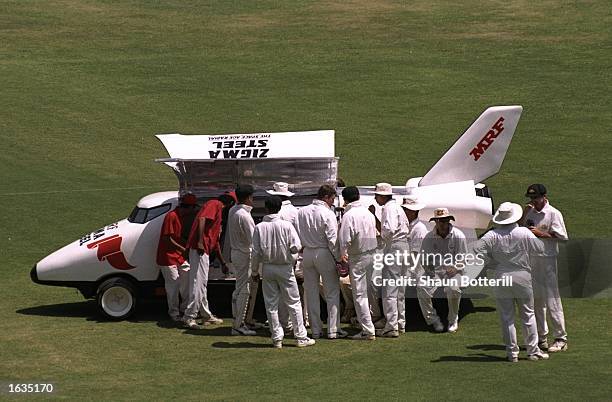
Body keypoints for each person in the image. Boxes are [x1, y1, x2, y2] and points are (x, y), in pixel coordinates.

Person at [474, 202, 550, 362]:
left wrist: (490, 260)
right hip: (522, 275)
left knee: (506, 317)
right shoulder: (523, 232)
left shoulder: (492, 235)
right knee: (528, 314)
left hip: (501, 276)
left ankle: (512, 353)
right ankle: (533, 351)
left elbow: (475, 248)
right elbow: (540, 249)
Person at [251, 196, 316, 348]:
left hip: (268, 268)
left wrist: (255, 271)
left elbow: (255, 253)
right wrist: (290, 256)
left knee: (271, 304)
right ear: (279, 208)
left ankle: (277, 338)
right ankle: (300, 337)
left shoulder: (259, 227)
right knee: (293, 302)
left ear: (266, 209)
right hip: (285, 267)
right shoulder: (286, 226)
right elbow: (296, 246)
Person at [521, 184, 569, 353]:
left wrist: (541, 234)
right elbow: (519, 230)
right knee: (536, 301)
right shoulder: (530, 212)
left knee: (552, 299)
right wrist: (525, 213)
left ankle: (561, 338)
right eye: (531, 198)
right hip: (530, 260)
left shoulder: (553, 213)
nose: (533, 201)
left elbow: (563, 237)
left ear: (544, 196)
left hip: (547, 260)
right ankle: (541, 338)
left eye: (535, 198)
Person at [296, 184, 347, 339]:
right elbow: (332, 239)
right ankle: (333, 330)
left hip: (308, 253)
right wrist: (339, 258)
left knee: (311, 293)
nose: (333, 202)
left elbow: (297, 233)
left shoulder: (302, 212)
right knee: (331, 292)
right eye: (332, 198)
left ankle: (316, 330)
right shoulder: (327, 213)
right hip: (323, 252)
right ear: (326, 197)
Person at [183, 195, 231, 329]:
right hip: (200, 248)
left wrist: (222, 263)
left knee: (201, 284)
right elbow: (202, 218)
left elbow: (215, 243)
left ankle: (205, 314)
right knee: (198, 283)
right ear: (230, 203)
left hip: (204, 249)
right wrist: (199, 241)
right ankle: (189, 316)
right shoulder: (215, 203)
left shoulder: (219, 214)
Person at [418, 208, 467, 333]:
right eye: (440, 221)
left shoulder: (458, 235)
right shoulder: (429, 237)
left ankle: (453, 319)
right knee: (421, 286)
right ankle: (433, 320)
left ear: (449, 221)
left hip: (454, 272)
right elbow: (424, 258)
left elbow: (464, 258)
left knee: (453, 288)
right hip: (435, 272)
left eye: (445, 221)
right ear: (435, 222)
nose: (443, 224)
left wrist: (455, 268)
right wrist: (428, 268)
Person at [338, 186, 377, 340]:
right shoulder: (368, 212)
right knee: (367, 292)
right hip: (371, 254)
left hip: (359, 256)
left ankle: (367, 330)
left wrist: (342, 255)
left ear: (345, 200)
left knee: (360, 294)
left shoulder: (349, 215)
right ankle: (369, 324)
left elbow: (345, 239)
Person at [374, 183, 409, 337]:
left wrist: (380, 235)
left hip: (394, 247)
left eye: (377, 195)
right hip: (403, 247)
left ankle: (391, 326)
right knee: (399, 289)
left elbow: (389, 230)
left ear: (382, 196)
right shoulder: (398, 208)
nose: (375, 198)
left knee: (390, 288)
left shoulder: (388, 208)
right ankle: (400, 323)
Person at [156, 193, 198, 322]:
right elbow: (167, 238)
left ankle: (184, 308)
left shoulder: (180, 216)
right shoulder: (172, 216)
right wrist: (183, 249)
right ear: (189, 207)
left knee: (186, 276)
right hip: (167, 257)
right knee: (173, 284)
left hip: (177, 256)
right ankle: (174, 313)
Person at [267, 182, 299, 331]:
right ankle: (291, 324)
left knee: (275, 296)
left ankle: (281, 324)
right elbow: (297, 240)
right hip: (289, 257)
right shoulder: (294, 211)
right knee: (293, 296)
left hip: (272, 259)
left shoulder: (272, 215)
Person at [227, 184, 257, 336]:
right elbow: (254, 239)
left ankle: (239, 322)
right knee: (243, 290)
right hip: (244, 254)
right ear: (248, 198)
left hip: (237, 253)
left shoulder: (233, 210)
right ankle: (238, 325)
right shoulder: (244, 215)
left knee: (240, 288)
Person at [400, 195, 433, 330]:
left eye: (405, 210)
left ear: (412, 212)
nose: (403, 212)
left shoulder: (419, 229)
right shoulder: (406, 225)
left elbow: (416, 255)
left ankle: (430, 320)